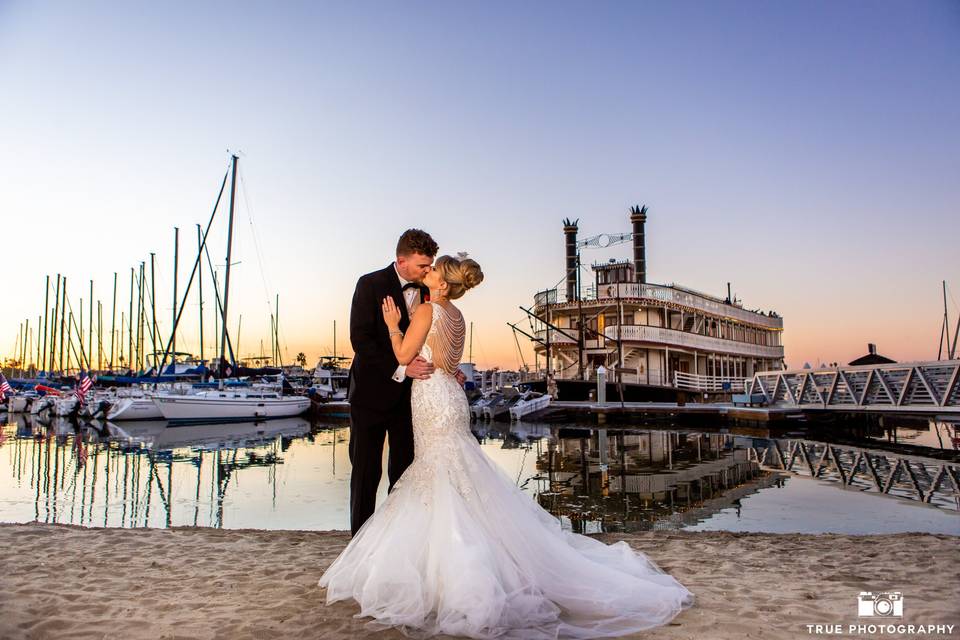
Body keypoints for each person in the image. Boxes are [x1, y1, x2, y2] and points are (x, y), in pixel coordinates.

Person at [320, 253, 694, 639]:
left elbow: (402, 356)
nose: (427, 272)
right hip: (450, 395)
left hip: (431, 399)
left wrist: (392, 326)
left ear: (443, 284)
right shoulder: (457, 316)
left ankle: (450, 570)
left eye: (433, 270)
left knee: (438, 476)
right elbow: (449, 362)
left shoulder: (426, 312)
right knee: (454, 474)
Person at [345, 228, 438, 536]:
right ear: (402, 260)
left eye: (430, 264)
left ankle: (394, 541)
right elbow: (362, 340)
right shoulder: (370, 284)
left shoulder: (430, 292)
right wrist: (401, 369)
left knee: (404, 473)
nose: (428, 271)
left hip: (410, 399)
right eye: (422, 265)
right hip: (370, 395)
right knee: (366, 473)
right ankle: (358, 541)